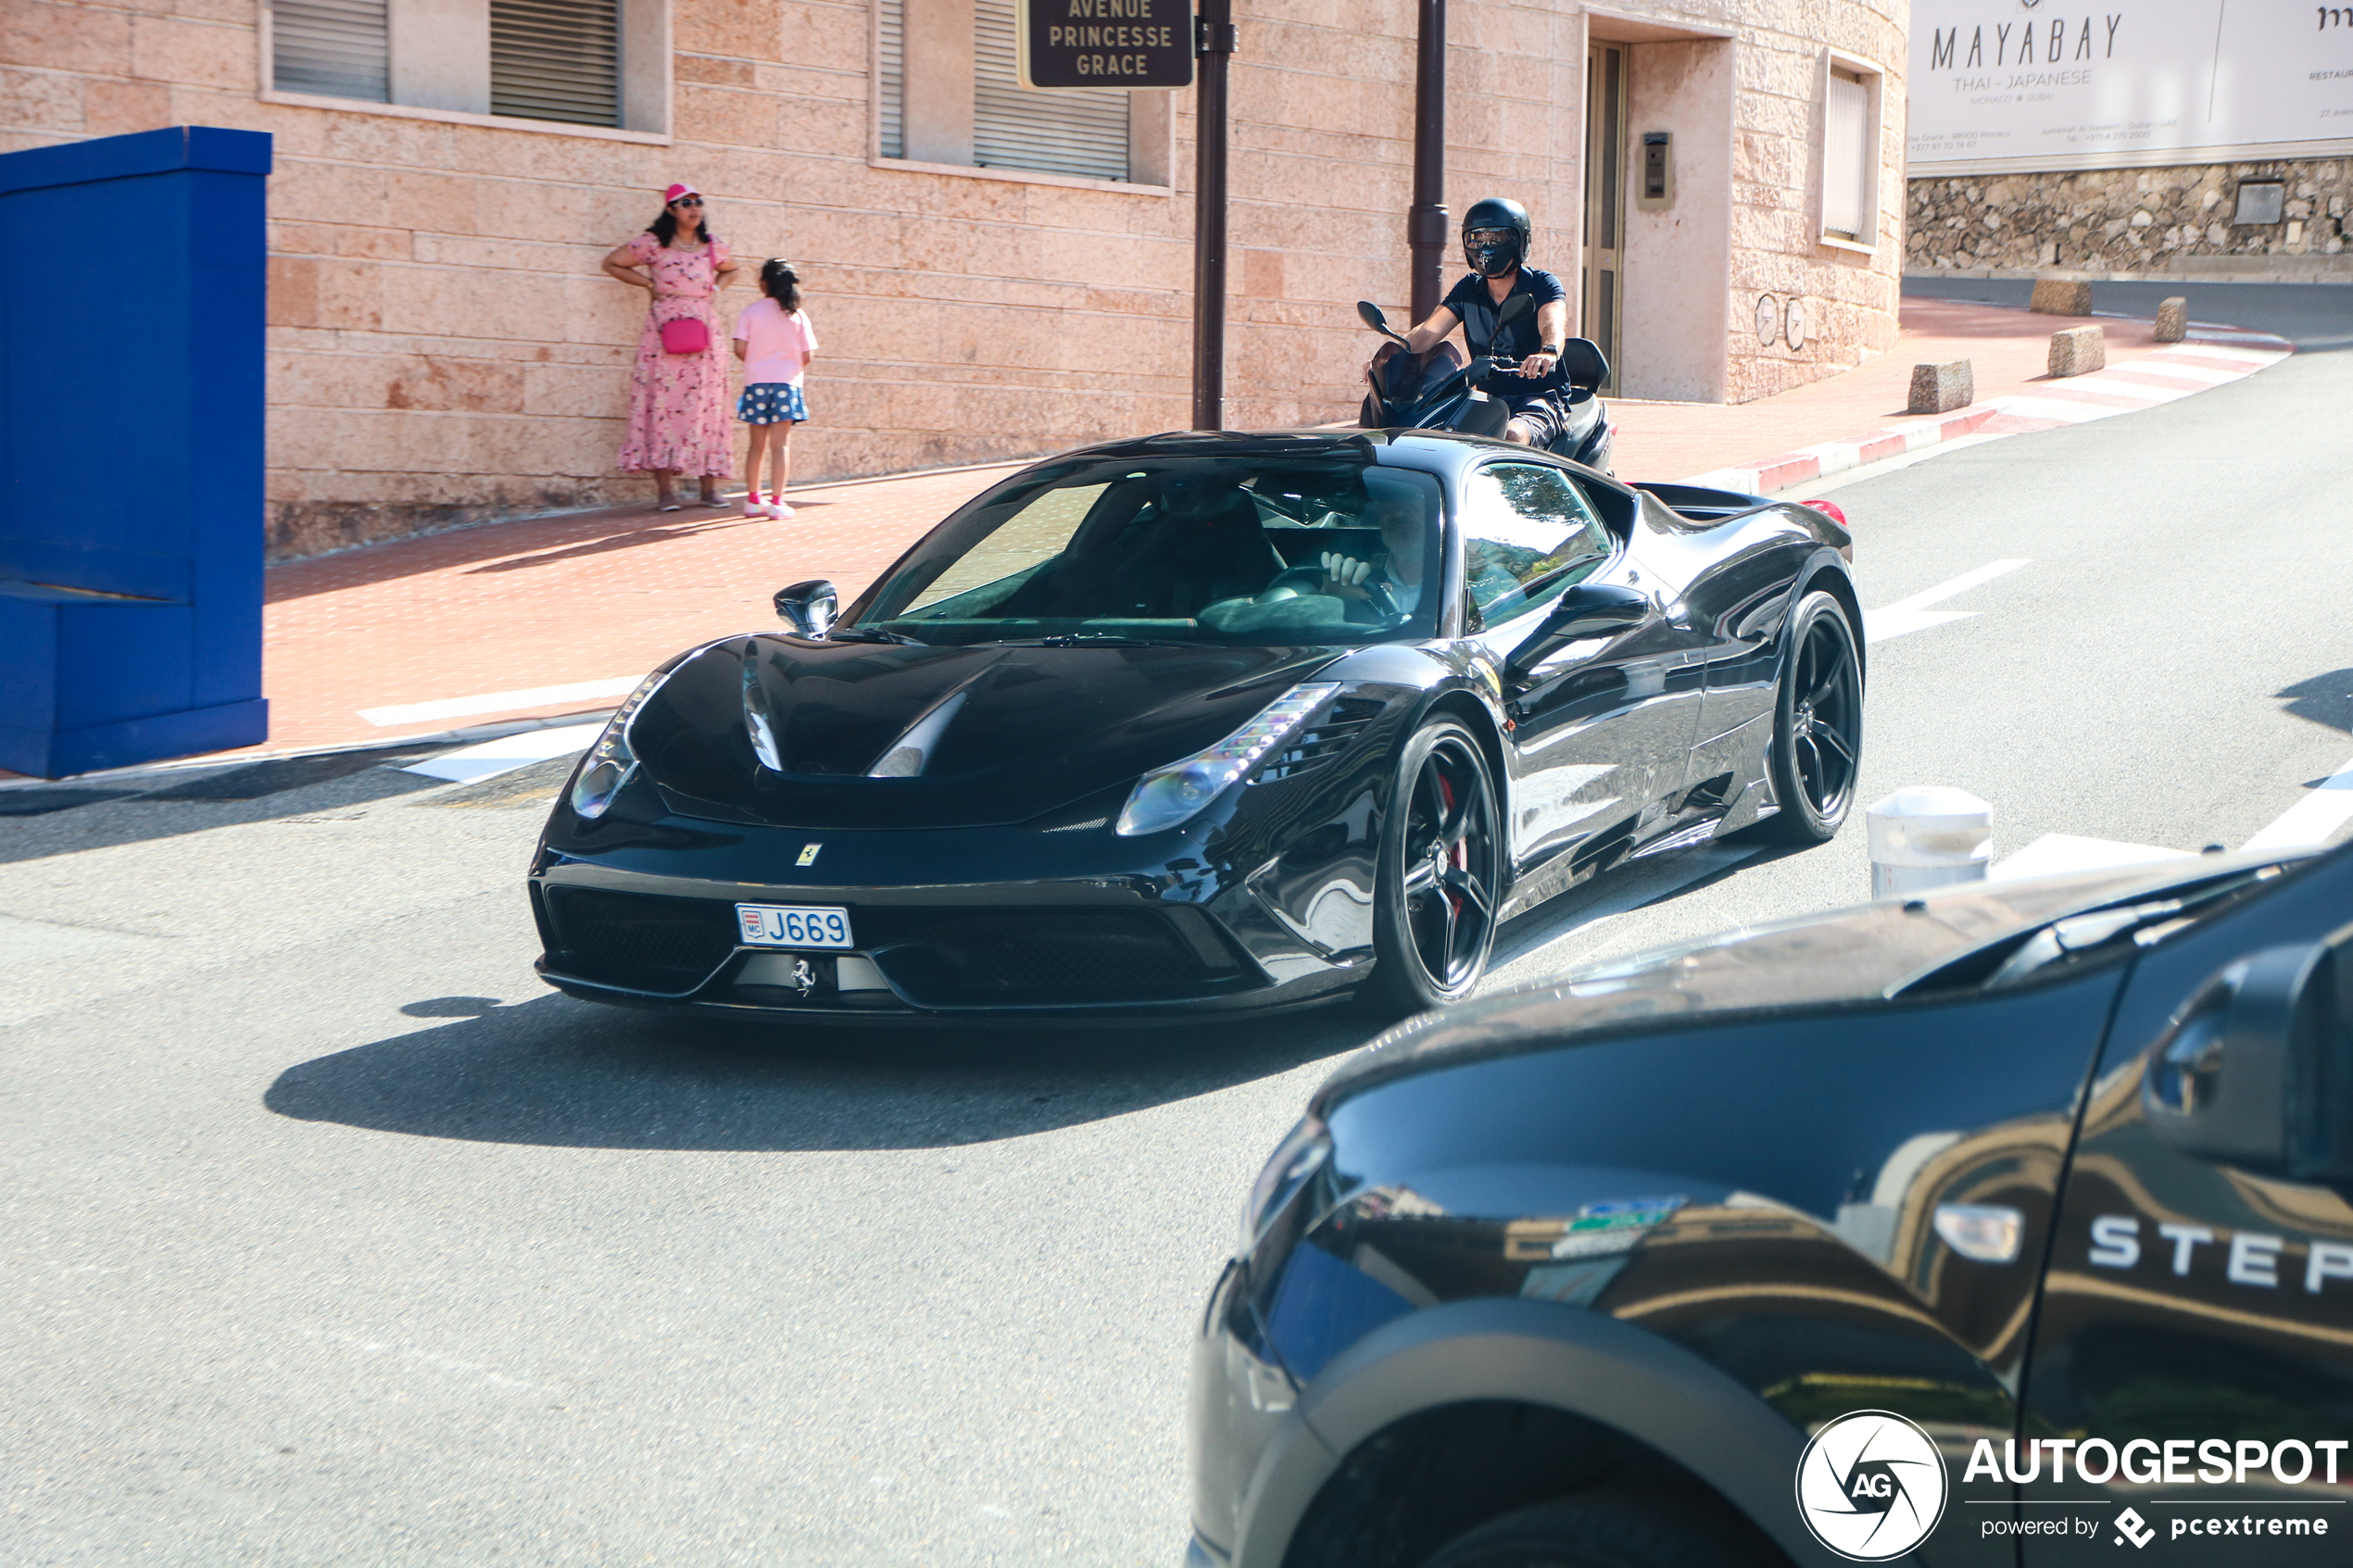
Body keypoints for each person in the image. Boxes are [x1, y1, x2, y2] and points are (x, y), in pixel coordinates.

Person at [1381, 197, 1571, 447]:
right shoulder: (1468, 289)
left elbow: (1553, 323)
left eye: (1496, 239)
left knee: (1511, 435)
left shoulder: (1542, 285)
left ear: (1520, 241)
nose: (1485, 246)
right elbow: (1427, 333)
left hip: (1538, 396)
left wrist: (1548, 352)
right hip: (1486, 399)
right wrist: (1389, 357)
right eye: (1477, 239)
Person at [604, 182, 738, 510]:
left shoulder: (711, 246)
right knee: (662, 402)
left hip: (704, 331)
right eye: (686, 203)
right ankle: (665, 491)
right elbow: (612, 263)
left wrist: (715, 291)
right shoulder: (654, 243)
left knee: (708, 405)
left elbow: (732, 269)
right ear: (671, 209)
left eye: (698, 203)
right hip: (663, 331)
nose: (694, 208)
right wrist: (649, 284)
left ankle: (708, 487)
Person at [731, 259, 818, 521]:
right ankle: (778, 502)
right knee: (780, 446)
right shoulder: (798, 315)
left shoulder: (750, 312)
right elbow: (808, 354)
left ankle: (753, 499)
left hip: (756, 384)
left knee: (756, 445)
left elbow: (739, 349)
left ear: (764, 284)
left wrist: (758, 362)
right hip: (786, 385)